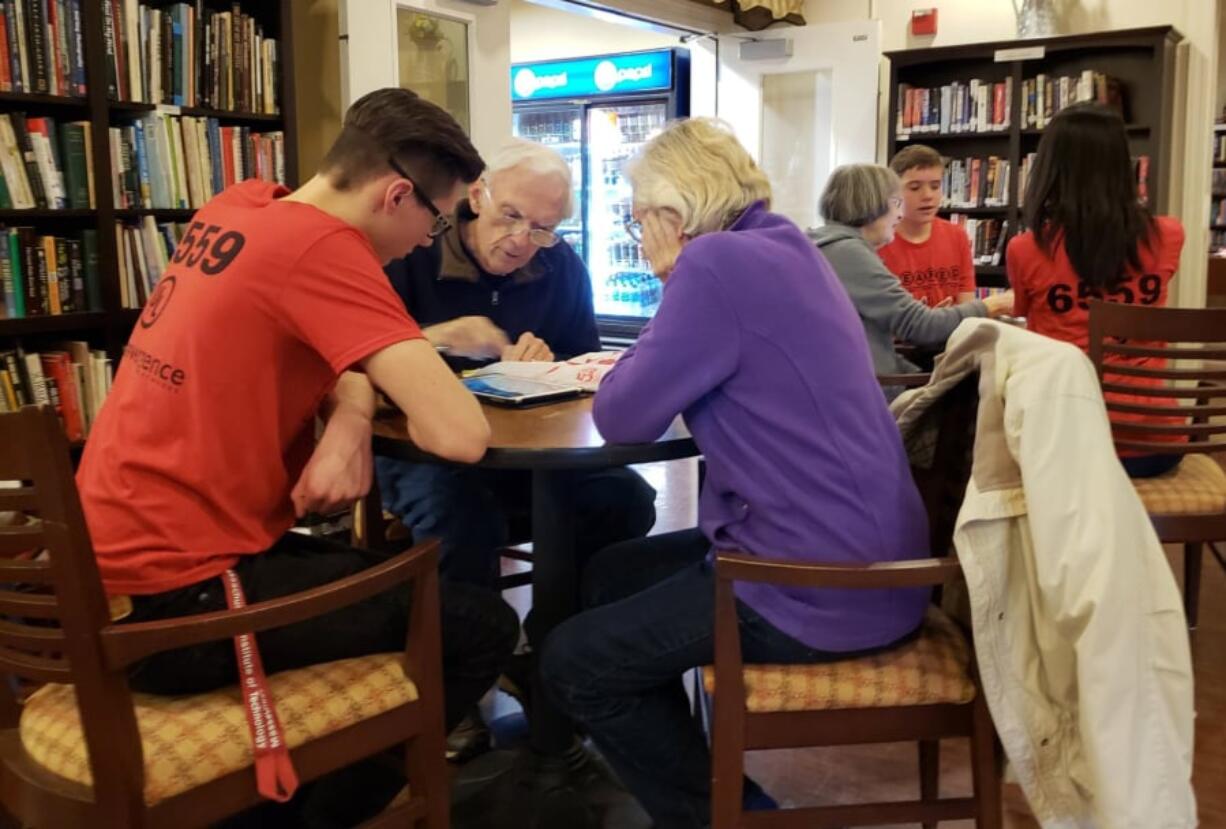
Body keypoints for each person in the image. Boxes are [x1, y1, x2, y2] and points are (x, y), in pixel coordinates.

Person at [75, 88, 520, 826]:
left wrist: (348, 419)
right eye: (438, 220)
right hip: (183, 601)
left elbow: (322, 348)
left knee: (387, 584)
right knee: (478, 627)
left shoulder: (243, 206)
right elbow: (459, 434)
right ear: (397, 194)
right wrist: (396, 370)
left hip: (112, 572)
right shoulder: (328, 252)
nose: (425, 241)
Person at [538, 118, 932, 828]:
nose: (639, 238)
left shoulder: (713, 265)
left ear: (674, 215)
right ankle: (687, 765)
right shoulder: (785, 244)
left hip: (816, 583)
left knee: (575, 661)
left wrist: (668, 277)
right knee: (612, 575)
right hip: (876, 558)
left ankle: (730, 812)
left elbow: (625, 415)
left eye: (640, 223)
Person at [377, 137, 657, 591]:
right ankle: (471, 652)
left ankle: (561, 639)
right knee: (464, 518)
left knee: (625, 499)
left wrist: (550, 364)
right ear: (476, 196)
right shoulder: (414, 249)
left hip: (531, 449)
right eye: (510, 216)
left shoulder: (559, 263)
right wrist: (436, 341)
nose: (522, 241)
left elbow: (585, 360)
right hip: (421, 445)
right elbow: (362, 356)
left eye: (543, 228)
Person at [1006, 103, 1186, 478]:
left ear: (1051, 169)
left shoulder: (1026, 249)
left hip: (1068, 440)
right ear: (1123, 166)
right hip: (1155, 442)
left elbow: (1024, 316)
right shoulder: (1169, 235)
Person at [809, 163, 1013, 398]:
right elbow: (921, 326)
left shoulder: (826, 245)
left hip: (855, 380)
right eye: (896, 203)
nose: (900, 213)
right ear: (871, 205)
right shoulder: (849, 253)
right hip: (869, 391)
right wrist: (994, 305)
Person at [878, 144, 978, 307]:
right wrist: (927, 324)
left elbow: (967, 305)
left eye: (935, 186)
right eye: (915, 188)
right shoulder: (878, 241)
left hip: (952, 331)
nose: (927, 196)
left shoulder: (957, 236)